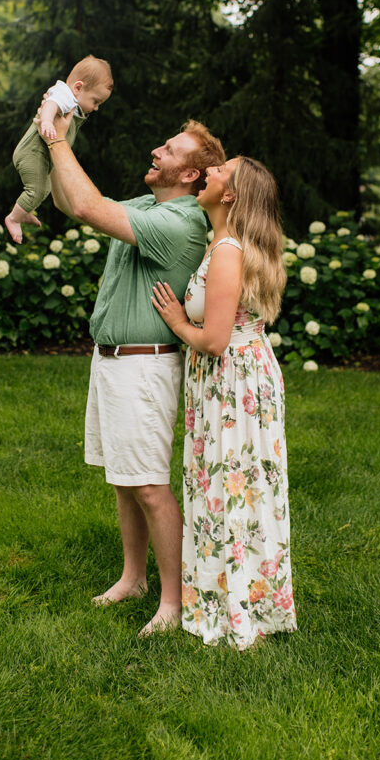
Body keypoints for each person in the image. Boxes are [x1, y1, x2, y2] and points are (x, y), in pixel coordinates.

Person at [42, 108, 226, 635]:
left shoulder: (181, 221)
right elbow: (69, 201)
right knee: (125, 481)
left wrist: (57, 134)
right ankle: (133, 578)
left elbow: (85, 203)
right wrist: (52, 138)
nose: (157, 152)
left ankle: (172, 603)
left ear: (190, 174)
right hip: (114, 362)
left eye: (168, 150)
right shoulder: (148, 203)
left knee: (149, 485)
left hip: (146, 367)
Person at [152, 156, 296, 650]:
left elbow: (213, 339)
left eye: (219, 170)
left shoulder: (229, 250)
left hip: (231, 380)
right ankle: (239, 597)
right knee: (238, 486)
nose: (209, 170)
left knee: (230, 485)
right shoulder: (227, 244)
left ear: (230, 195)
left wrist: (175, 320)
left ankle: (237, 609)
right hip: (237, 378)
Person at [5, 55, 113, 243]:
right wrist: (46, 120)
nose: (96, 108)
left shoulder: (72, 100)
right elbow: (50, 104)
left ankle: (24, 211)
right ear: (78, 88)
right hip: (32, 153)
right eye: (95, 101)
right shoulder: (65, 96)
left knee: (44, 188)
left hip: (40, 155)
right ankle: (13, 218)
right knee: (37, 189)